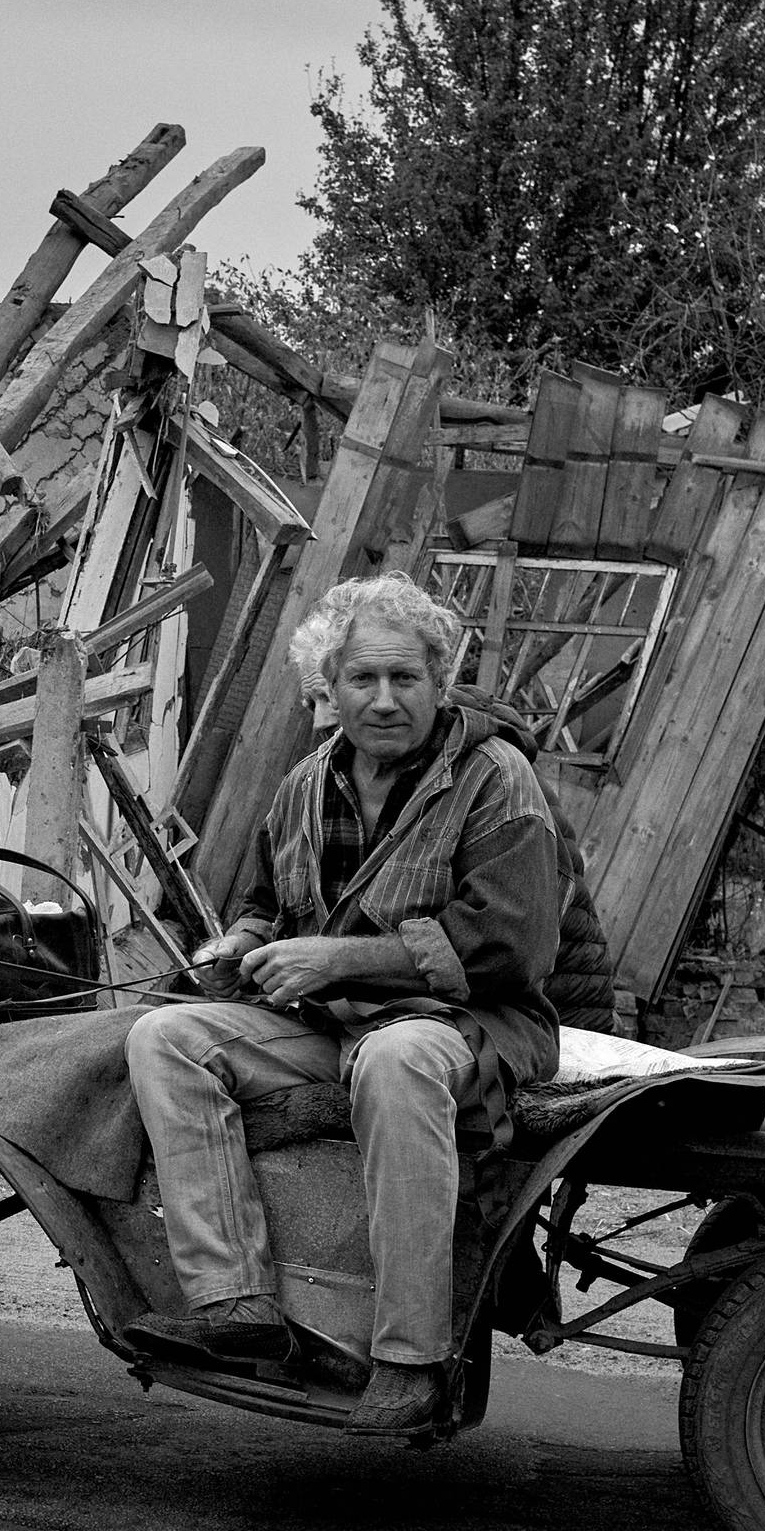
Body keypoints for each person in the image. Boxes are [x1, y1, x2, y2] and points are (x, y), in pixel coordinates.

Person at [121, 572, 562, 1435]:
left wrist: (341, 957)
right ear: (331, 688)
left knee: (396, 1063)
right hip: (334, 1026)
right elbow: (262, 904)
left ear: (440, 682)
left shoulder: (495, 778)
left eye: (407, 679)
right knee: (167, 1036)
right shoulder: (306, 782)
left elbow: (512, 947)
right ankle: (234, 1302)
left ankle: (413, 1358)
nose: (387, 699)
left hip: (473, 1025)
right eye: (364, 680)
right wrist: (239, 948)